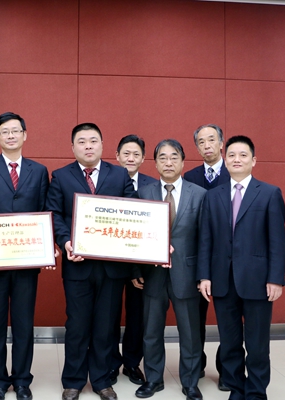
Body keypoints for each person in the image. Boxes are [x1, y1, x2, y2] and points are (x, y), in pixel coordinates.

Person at [46, 123, 135, 400]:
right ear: (72, 147)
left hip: (112, 267)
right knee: (77, 325)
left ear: (102, 145)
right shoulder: (61, 176)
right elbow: (54, 214)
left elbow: (133, 211)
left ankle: (101, 380)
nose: (88, 146)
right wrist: (65, 241)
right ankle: (73, 381)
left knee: (106, 326)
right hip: (78, 264)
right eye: (82, 141)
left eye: (93, 140)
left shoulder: (119, 174)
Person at [198, 135, 285, 400]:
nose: (237, 159)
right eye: (232, 155)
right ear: (225, 160)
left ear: (253, 160)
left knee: (257, 344)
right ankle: (236, 390)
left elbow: (277, 241)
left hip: (259, 281)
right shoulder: (212, 196)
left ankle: (256, 392)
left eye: (243, 155)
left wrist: (276, 278)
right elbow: (205, 240)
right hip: (222, 281)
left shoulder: (269, 193)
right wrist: (204, 276)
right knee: (229, 342)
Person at [0, 112, 49, 400]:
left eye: (16, 130)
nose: (11, 135)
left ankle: (22, 380)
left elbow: (44, 211)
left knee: (23, 323)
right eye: (5, 131)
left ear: (25, 135)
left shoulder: (39, 170)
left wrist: (46, 247)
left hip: (27, 261)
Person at [135, 139, 205, 400]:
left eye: (174, 157)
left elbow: (205, 239)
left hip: (187, 273)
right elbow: (134, 236)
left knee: (190, 332)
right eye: (162, 158)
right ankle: (153, 379)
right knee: (151, 331)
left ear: (183, 162)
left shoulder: (199, 194)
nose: (168, 162)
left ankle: (190, 382)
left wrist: (203, 275)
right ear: (155, 163)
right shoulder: (144, 193)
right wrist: (136, 270)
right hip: (152, 274)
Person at [183, 124, 229, 390]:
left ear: (221, 143)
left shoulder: (235, 172)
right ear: (197, 148)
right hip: (196, 259)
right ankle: (196, 364)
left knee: (228, 320)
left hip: (227, 260)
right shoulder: (189, 176)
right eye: (201, 142)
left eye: (212, 140)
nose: (207, 145)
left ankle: (227, 370)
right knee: (195, 318)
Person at [110, 135, 157, 385]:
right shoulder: (106, 180)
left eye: (136, 154)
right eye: (126, 153)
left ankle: (131, 362)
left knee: (137, 315)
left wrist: (137, 267)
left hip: (141, 264)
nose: (131, 158)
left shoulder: (152, 185)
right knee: (109, 314)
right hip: (111, 261)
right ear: (117, 156)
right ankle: (110, 362)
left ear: (143, 158)